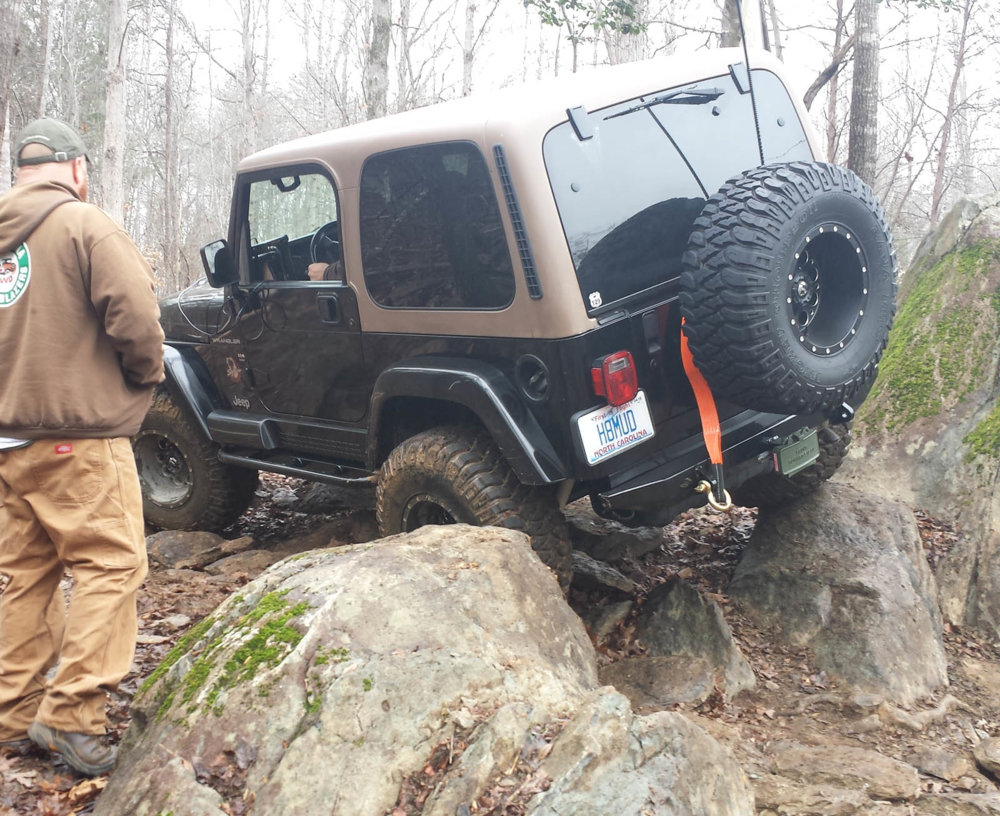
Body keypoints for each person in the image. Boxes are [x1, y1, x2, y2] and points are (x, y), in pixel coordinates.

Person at [0, 119, 164, 776]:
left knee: (25, 576)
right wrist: (144, 377)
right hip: (78, 438)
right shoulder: (84, 225)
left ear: (20, 174)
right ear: (76, 168)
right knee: (113, 564)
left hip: (9, 443)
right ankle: (71, 716)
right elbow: (138, 317)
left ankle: (15, 713)